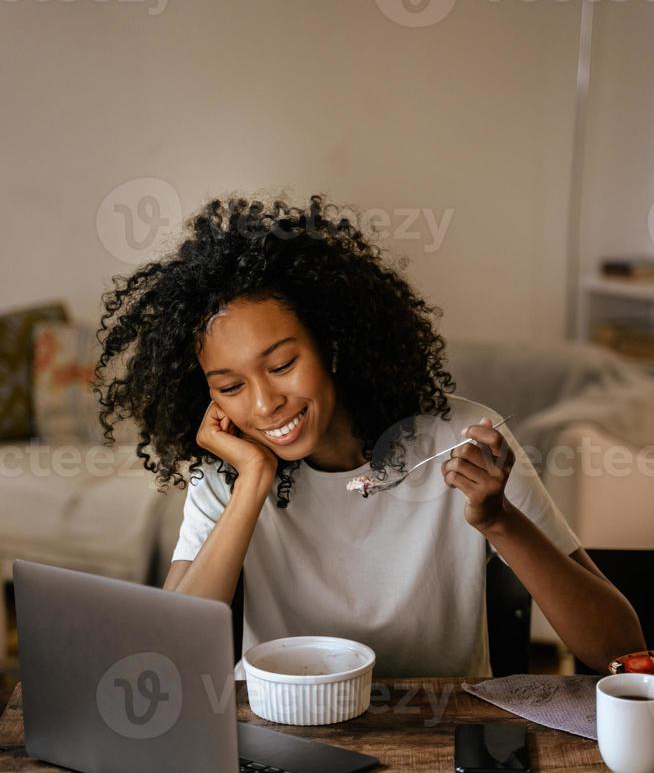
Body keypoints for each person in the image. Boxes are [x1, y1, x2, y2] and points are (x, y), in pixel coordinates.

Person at [94, 193, 645, 678]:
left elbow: (618, 648)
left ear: (332, 346)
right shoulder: (227, 467)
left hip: (436, 733)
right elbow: (172, 652)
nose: (263, 405)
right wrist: (254, 482)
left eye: (283, 365)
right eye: (231, 385)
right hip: (281, 726)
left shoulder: (463, 437)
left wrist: (500, 521)